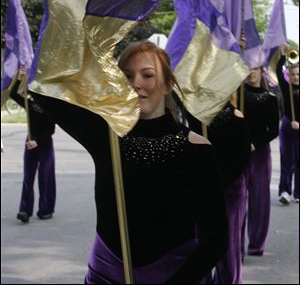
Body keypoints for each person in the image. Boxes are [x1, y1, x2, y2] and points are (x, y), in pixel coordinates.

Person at [32, 40, 228, 284]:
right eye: (127, 76)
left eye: (148, 75)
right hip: (106, 276)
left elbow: (217, 237)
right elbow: (41, 88)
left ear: (168, 85)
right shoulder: (105, 137)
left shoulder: (196, 148)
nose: (136, 84)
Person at [184, 93, 251, 284]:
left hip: (230, 190)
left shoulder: (236, 116)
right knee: (201, 243)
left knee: (228, 244)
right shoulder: (195, 115)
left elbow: (242, 158)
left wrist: (219, 183)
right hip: (203, 189)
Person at [241, 67, 279, 258]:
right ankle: (236, 246)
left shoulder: (270, 98)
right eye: (247, 68)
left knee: (259, 201)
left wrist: (255, 144)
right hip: (238, 154)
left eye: (254, 68)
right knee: (238, 202)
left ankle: (256, 244)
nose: (251, 72)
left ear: (261, 71)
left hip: (260, 154)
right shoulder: (237, 96)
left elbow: (274, 130)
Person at [10, 71, 56, 223]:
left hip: (44, 144)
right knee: (28, 177)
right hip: (30, 142)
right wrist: (19, 77)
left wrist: (38, 141)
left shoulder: (50, 105)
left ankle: (46, 210)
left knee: (45, 178)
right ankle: (24, 210)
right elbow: (13, 94)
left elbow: (51, 130)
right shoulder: (30, 103)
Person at [276, 43, 299, 205]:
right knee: (287, 159)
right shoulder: (286, 87)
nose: (296, 77)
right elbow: (278, 70)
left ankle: (297, 193)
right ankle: (285, 191)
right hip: (287, 126)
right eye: (293, 75)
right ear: (289, 76)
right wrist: (283, 55)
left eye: (298, 74)